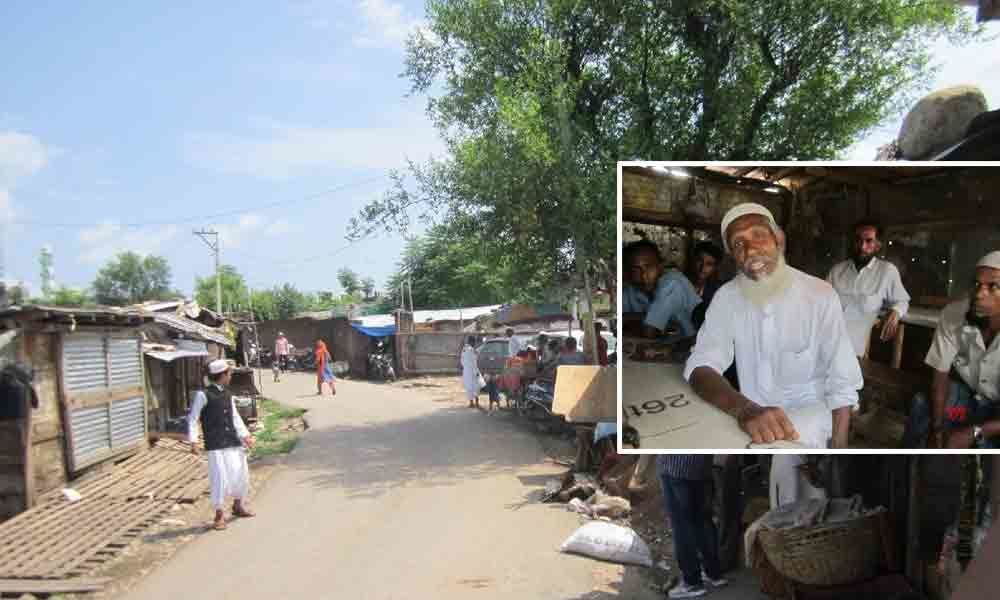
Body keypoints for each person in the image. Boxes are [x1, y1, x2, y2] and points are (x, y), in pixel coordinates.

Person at [685, 202, 862, 449]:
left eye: (758, 235)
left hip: (814, 424)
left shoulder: (820, 294)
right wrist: (746, 409)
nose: (750, 250)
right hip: (755, 421)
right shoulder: (727, 297)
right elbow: (701, 364)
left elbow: (843, 382)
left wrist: (839, 449)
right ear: (733, 257)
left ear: (779, 239)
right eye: (738, 244)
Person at [906, 251, 1000, 449]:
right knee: (923, 407)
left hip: (995, 413)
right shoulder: (955, 314)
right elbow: (940, 377)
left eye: (994, 286)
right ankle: (911, 470)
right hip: (965, 408)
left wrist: (976, 432)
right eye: (976, 284)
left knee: (985, 451)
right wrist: (938, 428)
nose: (980, 293)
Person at [188, 359, 256, 531]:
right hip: (216, 444)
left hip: (232, 440)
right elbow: (193, 419)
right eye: (229, 373)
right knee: (219, 478)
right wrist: (194, 440)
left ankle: (238, 505)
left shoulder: (228, 394)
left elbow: (235, 417)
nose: (231, 376)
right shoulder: (203, 395)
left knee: (240, 473)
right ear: (222, 375)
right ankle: (219, 515)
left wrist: (246, 436)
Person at [827, 219, 911, 357]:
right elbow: (822, 302)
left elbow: (902, 301)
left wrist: (896, 312)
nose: (862, 246)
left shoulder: (887, 271)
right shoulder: (837, 271)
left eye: (869, 241)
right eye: (858, 240)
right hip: (826, 341)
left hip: (855, 352)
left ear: (878, 245)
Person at [657, 455, 727, 598]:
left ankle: (692, 582)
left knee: (682, 526)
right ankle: (714, 574)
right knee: (704, 521)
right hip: (702, 468)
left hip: (675, 468)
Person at [623, 240, 701, 339]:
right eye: (636, 269)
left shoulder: (672, 283)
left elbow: (649, 332)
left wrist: (634, 319)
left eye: (649, 267)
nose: (644, 275)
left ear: (660, 266)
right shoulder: (631, 287)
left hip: (691, 347)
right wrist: (645, 317)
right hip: (659, 348)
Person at [687, 241, 725, 329]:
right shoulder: (680, 284)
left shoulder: (719, 291)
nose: (702, 267)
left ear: (715, 268)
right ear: (693, 260)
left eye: (709, 264)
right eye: (699, 260)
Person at [460, 336, 482, 408]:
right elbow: (474, 362)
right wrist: (476, 372)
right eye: (474, 342)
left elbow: (462, 361)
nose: (475, 344)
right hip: (473, 371)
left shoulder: (464, 349)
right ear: (472, 342)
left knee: (469, 387)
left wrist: (465, 368)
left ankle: (471, 403)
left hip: (466, 371)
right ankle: (477, 403)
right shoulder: (471, 350)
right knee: (476, 386)